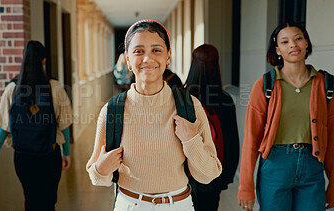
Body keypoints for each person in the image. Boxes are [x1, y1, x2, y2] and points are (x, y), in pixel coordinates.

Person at [86, 19, 222, 211]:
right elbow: (96, 177)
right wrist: (101, 169)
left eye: (156, 50)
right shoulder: (112, 110)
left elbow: (208, 175)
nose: (147, 59)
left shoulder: (190, 106)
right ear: (127, 60)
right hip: (129, 205)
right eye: (139, 51)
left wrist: (191, 140)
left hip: (178, 205)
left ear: (168, 57)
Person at [238, 22, 334, 211]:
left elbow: (331, 139)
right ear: (278, 50)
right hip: (275, 166)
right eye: (285, 41)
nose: (293, 45)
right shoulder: (265, 85)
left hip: (312, 165)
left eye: (298, 38)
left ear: (306, 43)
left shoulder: (326, 85)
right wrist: (245, 186)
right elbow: (251, 139)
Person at [0, 41, 73, 211]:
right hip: (49, 155)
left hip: (23, 157)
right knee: (48, 201)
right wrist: (67, 153)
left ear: (23, 59)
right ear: (44, 60)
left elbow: (3, 127)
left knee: (30, 200)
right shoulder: (55, 87)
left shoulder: (12, 89)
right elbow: (64, 124)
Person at [183, 44, 239, 211]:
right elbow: (232, 142)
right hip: (213, 173)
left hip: (183, 174)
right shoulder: (224, 99)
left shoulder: (180, 97)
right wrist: (227, 176)